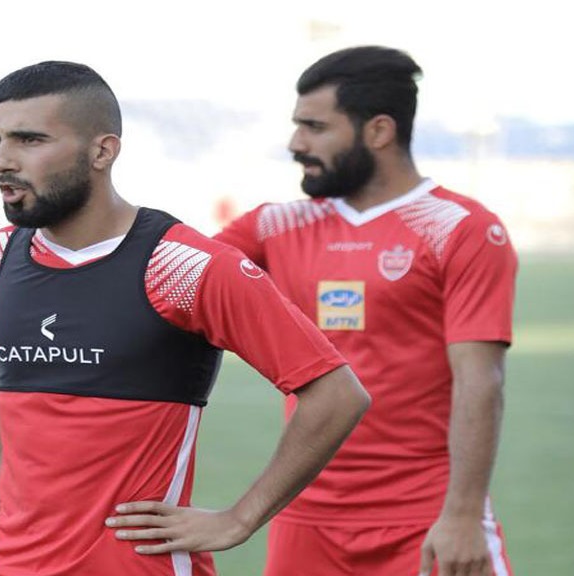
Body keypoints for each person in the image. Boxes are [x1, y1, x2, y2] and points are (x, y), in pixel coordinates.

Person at [0, 61, 370, 576]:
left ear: (102, 151)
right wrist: (5, 492)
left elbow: (336, 394)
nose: (1, 160)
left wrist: (240, 519)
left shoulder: (184, 267)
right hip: (5, 564)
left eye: (29, 139)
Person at [214, 46, 518, 576]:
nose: (296, 143)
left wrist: (464, 514)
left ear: (379, 131)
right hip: (303, 516)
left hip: (426, 516)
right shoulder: (273, 226)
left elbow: (480, 380)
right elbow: (171, 277)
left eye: (314, 127)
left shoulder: (461, 228)